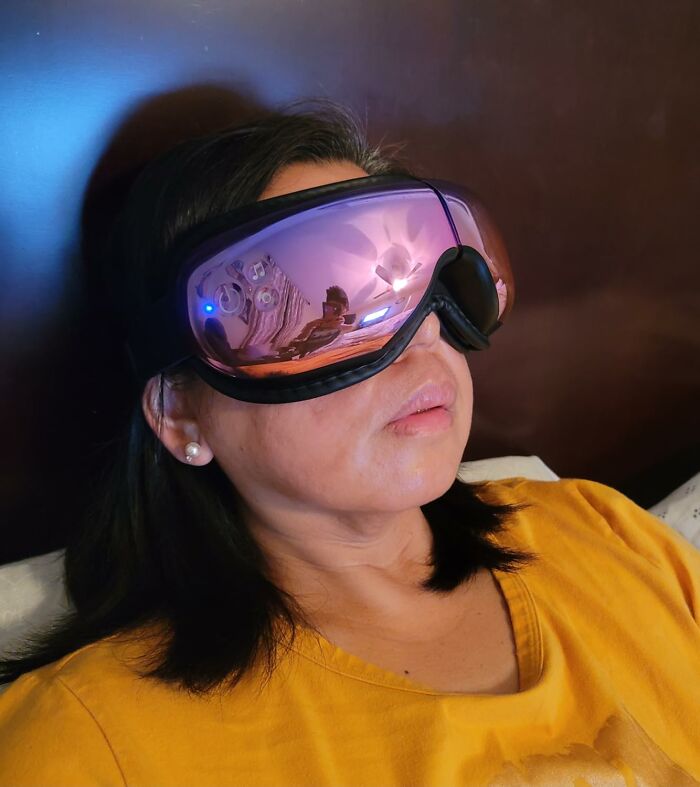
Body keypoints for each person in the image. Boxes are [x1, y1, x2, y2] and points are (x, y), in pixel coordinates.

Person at [0, 100, 699, 787]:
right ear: (182, 416)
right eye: (332, 303)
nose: (424, 330)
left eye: (423, 281)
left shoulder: (606, 533)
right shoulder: (91, 744)